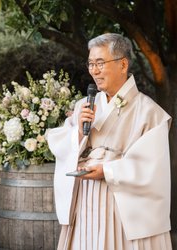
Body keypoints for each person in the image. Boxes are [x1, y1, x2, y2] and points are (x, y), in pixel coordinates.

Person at [46, 33, 172, 249]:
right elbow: (61, 144)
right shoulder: (84, 105)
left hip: (122, 205)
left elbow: (152, 166)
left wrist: (108, 170)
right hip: (85, 199)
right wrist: (78, 131)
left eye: (100, 63)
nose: (94, 71)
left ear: (123, 64)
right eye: (91, 64)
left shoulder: (150, 112)